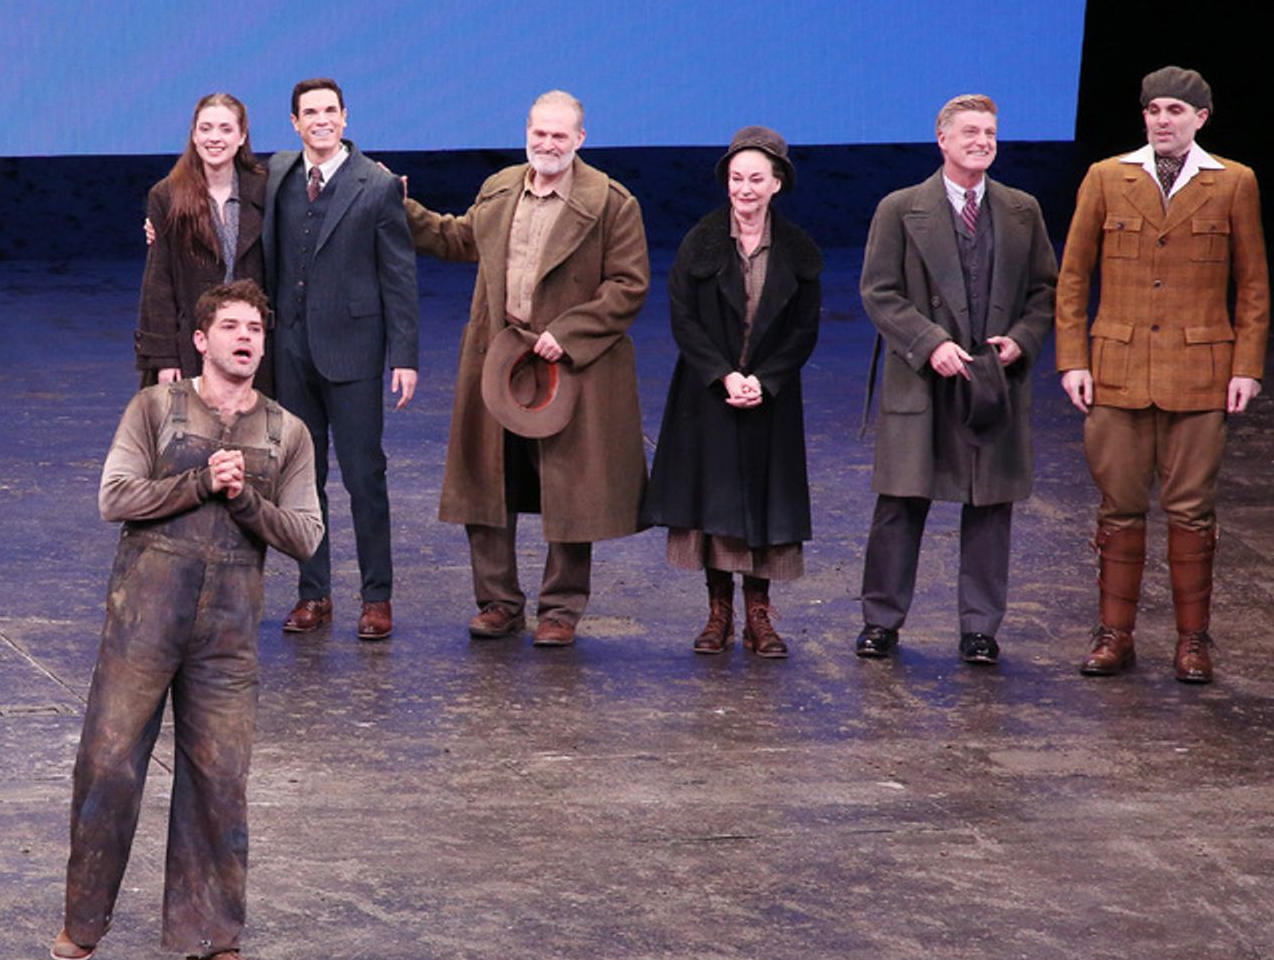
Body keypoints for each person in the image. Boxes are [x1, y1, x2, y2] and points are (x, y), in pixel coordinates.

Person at [52, 280, 323, 960]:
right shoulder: (154, 409)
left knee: (219, 780)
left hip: (226, 635)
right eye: (230, 326)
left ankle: (213, 938)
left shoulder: (285, 432)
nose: (245, 337)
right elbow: (114, 497)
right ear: (201, 340)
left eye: (255, 329)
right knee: (108, 764)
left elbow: (306, 535)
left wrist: (246, 499)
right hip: (144, 619)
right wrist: (198, 483)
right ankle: (83, 922)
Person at [405, 90, 650, 647]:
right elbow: (459, 238)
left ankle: (560, 610)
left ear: (580, 140)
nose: (547, 144)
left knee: (570, 487)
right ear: (527, 132)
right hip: (499, 355)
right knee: (487, 480)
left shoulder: (611, 203)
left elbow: (629, 285)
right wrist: (398, 208)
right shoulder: (499, 189)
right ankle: (498, 602)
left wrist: (565, 335)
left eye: (559, 136)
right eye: (539, 133)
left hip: (565, 362)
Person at [1056, 66, 1269, 683]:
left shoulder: (1233, 182)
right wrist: (1073, 358)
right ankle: (1114, 636)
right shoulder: (1107, 177)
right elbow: (1073, 277)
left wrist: (1247, 366)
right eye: (1153, 109)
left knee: (1191, 512)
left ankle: (1192, 642)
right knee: (1119, 508)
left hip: (1200, 372)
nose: (1162, 120)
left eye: (1175, 110)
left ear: (1201, 117)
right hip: (1118, 369)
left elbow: (1252, 284)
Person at [855, 95, 1057, 665]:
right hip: (923, 379)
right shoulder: (900, 208)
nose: (982, 141)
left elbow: (1045, 290)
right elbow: (879, 291)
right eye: (970, 131)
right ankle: (881, 621)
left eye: (990, 132)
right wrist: (930, 342)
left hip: (992, 380)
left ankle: (980, 629)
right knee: (901, 503)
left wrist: (1022, 338)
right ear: (941, 139)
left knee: (990, 505)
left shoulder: (1021, 210)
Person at [641, 126, 823, 657]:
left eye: (756, 179)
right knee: (714, 503)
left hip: (771, 398)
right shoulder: (699, 243)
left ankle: (758, 617)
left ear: (777, 185)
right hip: (708, 394)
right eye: (737, 178)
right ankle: (718, 612)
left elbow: (803, 330)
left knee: (763, 504)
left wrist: (763, 382)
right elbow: (684, 319)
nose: (745, 188)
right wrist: (724, 375)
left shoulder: (797, 252)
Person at [264, 78, 420, 640]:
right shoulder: (279, 174)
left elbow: (398, 274)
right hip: (292, 351)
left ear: (346, 118)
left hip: (354, 351)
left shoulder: (376, 185)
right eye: (310, 112)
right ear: (294, 122)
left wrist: (404, 355)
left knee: (363, 476)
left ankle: (377, 597)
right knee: (303, 477)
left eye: (331, 111)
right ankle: (314, 592)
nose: (321, 120)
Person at [136, 93, 271, 394]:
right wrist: (164, 357)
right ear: (194, 136)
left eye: (225, 129)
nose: (215, 138)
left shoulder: (267, 189)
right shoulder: (167, 196)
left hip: (255, 348)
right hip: (193, 348)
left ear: (242, 137)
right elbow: (159, 283)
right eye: (206, 128)